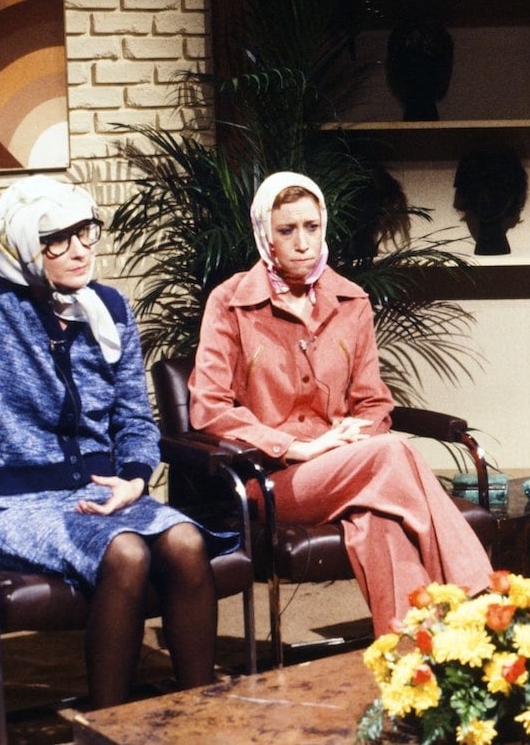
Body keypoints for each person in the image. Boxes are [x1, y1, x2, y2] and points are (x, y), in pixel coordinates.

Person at [187, 171, 493, 634]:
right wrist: (297, 447)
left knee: (379, 522)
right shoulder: (229, 302)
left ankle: (414, 658)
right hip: (272, 480)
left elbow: (375, 404)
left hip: (350, 468)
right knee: (394, 450)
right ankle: (481, 595)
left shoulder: (351, 300)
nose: (303, 242)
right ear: (264, 233)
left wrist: (350, 439)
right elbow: (208, 408)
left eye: (312, 227)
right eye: (287, 230)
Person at [0, 176, 237, 708]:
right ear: (26, 245)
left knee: (186, 545)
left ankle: (198, 717)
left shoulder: (110, 308)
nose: (79, 251)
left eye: (86, 232)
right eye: (56, 239)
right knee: (126, 552)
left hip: (104, 491)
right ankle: (109, 724)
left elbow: (136, 419)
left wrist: (137, 479)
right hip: (17, 502)